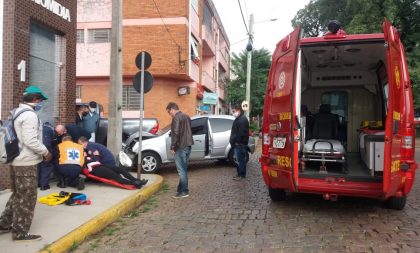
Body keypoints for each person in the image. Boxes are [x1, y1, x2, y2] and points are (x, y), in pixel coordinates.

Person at [0, 85, 52, 242]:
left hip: (16, 160)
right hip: (26, 162)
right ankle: (20, 232)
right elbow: (30, 140)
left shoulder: (16, 112)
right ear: (35, 99)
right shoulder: (30, 115)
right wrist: (46, 152)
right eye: (41, 100)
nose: (42, 102)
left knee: (17, 195)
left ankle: (4, 224)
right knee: (27, 197)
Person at [166, 102, 193, 198]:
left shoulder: (176, 118)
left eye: (169, 112)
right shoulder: (187, 116)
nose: (170, 114)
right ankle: (180, 189)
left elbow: (175, 133)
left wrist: (173, 147)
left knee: (181, 170)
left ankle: (184, 191)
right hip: (188, 145)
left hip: (181, 147)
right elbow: (189, 130)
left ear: (172, 109)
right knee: (183, 169)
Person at [229, 104, 249, 180]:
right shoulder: (238, 118)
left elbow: (242, 133)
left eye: (234, 111)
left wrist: (237, 141)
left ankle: (241, 175)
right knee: (238, 160)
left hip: (240, 144)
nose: (233, 113)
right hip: (237, 144)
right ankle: (239, 174)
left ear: (238, 111)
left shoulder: (243, 119)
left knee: (241, 160)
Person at [37, 122, 59, 190]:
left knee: (39, 165)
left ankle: (38, 183)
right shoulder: (51, 129)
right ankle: (44, 185)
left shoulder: (39, 128)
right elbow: (54, 142)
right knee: (47, 165)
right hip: (47, 148)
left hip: (37, 148)